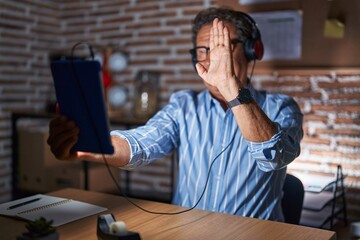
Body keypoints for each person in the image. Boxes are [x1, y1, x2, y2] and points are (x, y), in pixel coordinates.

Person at [47, 7, 303, 222]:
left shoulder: (282, 107)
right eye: (202, 51)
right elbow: (141, 144)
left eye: (220, 47)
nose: (210, 59)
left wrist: (231, 87)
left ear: (251, 51)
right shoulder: (184, 105)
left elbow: (273, 156)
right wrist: (90, 146)